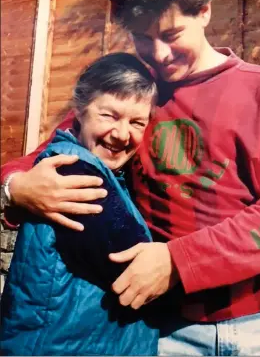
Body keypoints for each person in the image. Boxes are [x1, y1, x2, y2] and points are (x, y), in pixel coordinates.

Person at [1, 0, 260, 356]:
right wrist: (17, 188)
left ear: (205, 12)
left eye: (172, 34)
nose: (159, 54)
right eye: (143, 38)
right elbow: (39, 159)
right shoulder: (131, 95)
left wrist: (179, 261)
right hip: (166, 332)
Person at [0, 52, 160, 356]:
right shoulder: (79, 173)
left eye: (137, 122)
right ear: (79, 110)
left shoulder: (101, 167)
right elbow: (135, 272)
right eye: (109, 116)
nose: (122, 134)